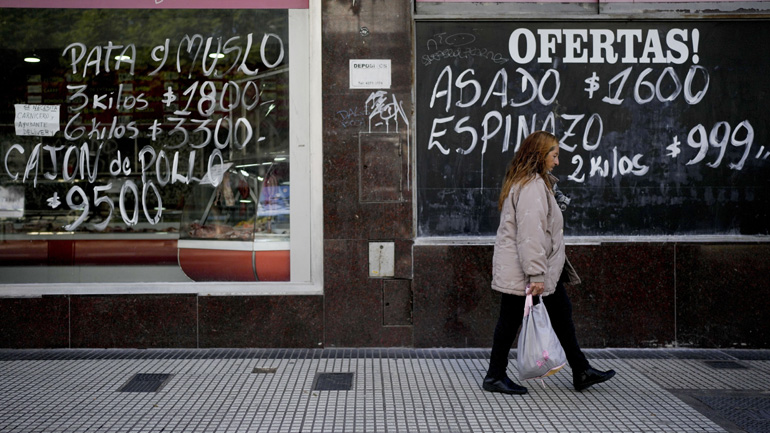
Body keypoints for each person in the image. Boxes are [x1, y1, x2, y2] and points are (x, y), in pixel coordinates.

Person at [482, 130, 616, 395]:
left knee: (561, 312)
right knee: (509, 321)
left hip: (538, 269)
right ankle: (494, 375)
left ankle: (581, 370)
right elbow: (531, 236)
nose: (557, 162)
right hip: (528, 270)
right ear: (539, 155)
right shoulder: (531, 187)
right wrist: (536, 275)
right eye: (554, 156)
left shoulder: (533, 183)